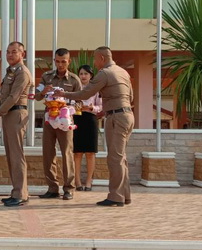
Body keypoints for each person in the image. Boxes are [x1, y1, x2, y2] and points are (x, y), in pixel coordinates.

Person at [51, 46, 134, 207]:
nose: (94, 63)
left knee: (115, 158)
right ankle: (125, 195)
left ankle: (116, 197)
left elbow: (85, 94)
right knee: (121, 157)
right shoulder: (123, 72)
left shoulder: (105, 73)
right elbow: (130, 97)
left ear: (102, 58)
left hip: (116, 118)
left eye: (95, 59)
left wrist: (63, 94)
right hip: (127, 115)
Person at [0, 41, 33, 207]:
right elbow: (5, 98)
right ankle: (18, 192)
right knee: (11, 156)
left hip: (16, 115)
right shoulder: (11, 72)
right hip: (9, 115)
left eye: (14, 52)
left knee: (17, 156)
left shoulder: (22, 73)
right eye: (8, 52)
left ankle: (20, 194)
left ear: (22, 54)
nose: (10, 55)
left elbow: (13, 98)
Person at [34, 48, 82, 200]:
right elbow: (36, 96)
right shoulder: (46, 76)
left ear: (69, 61)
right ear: (54, 61)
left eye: (63, 62)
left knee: (66, 153)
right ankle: (52, 188)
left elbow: (80, 102)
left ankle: (69, 188)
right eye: (58, 61)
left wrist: (67, 107)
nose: (60, 65)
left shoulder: (74, 80)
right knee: (48, 153)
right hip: (49, 119)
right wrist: (43, 92)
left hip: (65, 121)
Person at [72, 64, 103, 191]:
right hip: (77, 119)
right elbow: (68, 103)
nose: (83, 76)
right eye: (81, 73)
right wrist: (75, 107)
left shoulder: (96, 89)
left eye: (86, 74)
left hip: (90, 120)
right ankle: (77, 181)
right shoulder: (75, 88)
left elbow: (101, 106)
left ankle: (89, 181)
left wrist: (91, 108)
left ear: (91, 76)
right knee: (77, 152)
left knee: (90, 152)